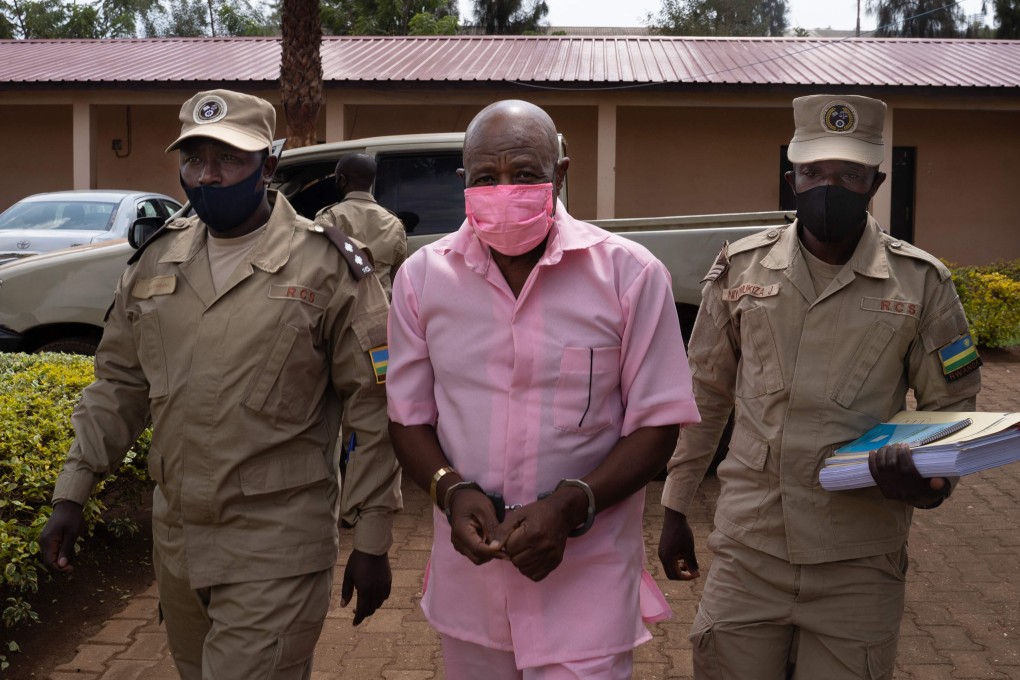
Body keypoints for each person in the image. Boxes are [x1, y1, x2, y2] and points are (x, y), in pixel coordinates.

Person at [38, 89, 402, 680]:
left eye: (229, 159)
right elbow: (117, 386)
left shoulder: (329, 267)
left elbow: (374, 403)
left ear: (269, 166)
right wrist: (72, 492)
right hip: (179, 546)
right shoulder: (154, 265)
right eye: (194, 159)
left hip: (277, 546)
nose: (208, 176)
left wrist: (374, 536)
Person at [657, 94, 982, 680]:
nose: (828, 186)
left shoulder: (921, 282)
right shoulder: (741, 269)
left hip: (857, 556)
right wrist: (676, 506)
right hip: (749, 546)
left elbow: (951, 406)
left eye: (849, 174)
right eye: (814, 173)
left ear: (874, 182)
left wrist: (931, 481)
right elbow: (704, 394)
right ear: (793, 179)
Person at [386, 99, 701, 679]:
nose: (504, 189)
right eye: (486, 177)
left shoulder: (630, 275)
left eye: (525, 173)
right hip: (471, 586)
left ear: (561, 173)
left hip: (586, 586)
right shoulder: (422, 278)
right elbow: (407, 417)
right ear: (464, 182)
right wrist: (449, 491)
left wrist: (569, 506)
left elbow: (657, 424)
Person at [314, 152, 407, 298]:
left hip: (341, 314)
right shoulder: (394, 223)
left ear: (342, 180)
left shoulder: (329, 218)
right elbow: (399, 278)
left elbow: (316, 271)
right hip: (381, 313)